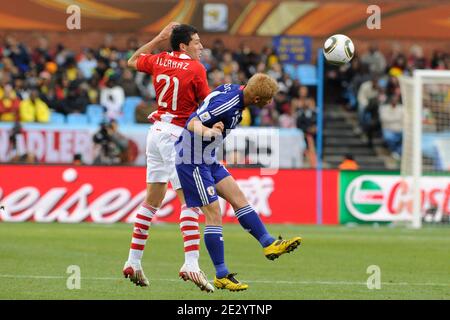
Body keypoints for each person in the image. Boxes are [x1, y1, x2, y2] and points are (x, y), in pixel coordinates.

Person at [175, 73, 302, 292]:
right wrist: (209, 131)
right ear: (257, 101)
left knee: (238, 198)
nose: (270, 103)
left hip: (208, 157)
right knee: (213, 213)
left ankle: (269, 243)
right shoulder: (228, 105)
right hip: (192, 160)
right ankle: (221, 275)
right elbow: (192, 123)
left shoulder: (237, 91)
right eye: (268, 99)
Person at [123, 22, 212, 291]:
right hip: (176, 137)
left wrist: (158, 38)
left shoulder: (160, 59)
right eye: (197, 42)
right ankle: (191, 263)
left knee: (152, 201)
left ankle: (133, 261)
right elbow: (206, 106)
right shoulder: (197, 69)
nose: (201, 46)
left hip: (156, 132)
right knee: (191, 201)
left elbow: (132, 60)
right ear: (184, 45)